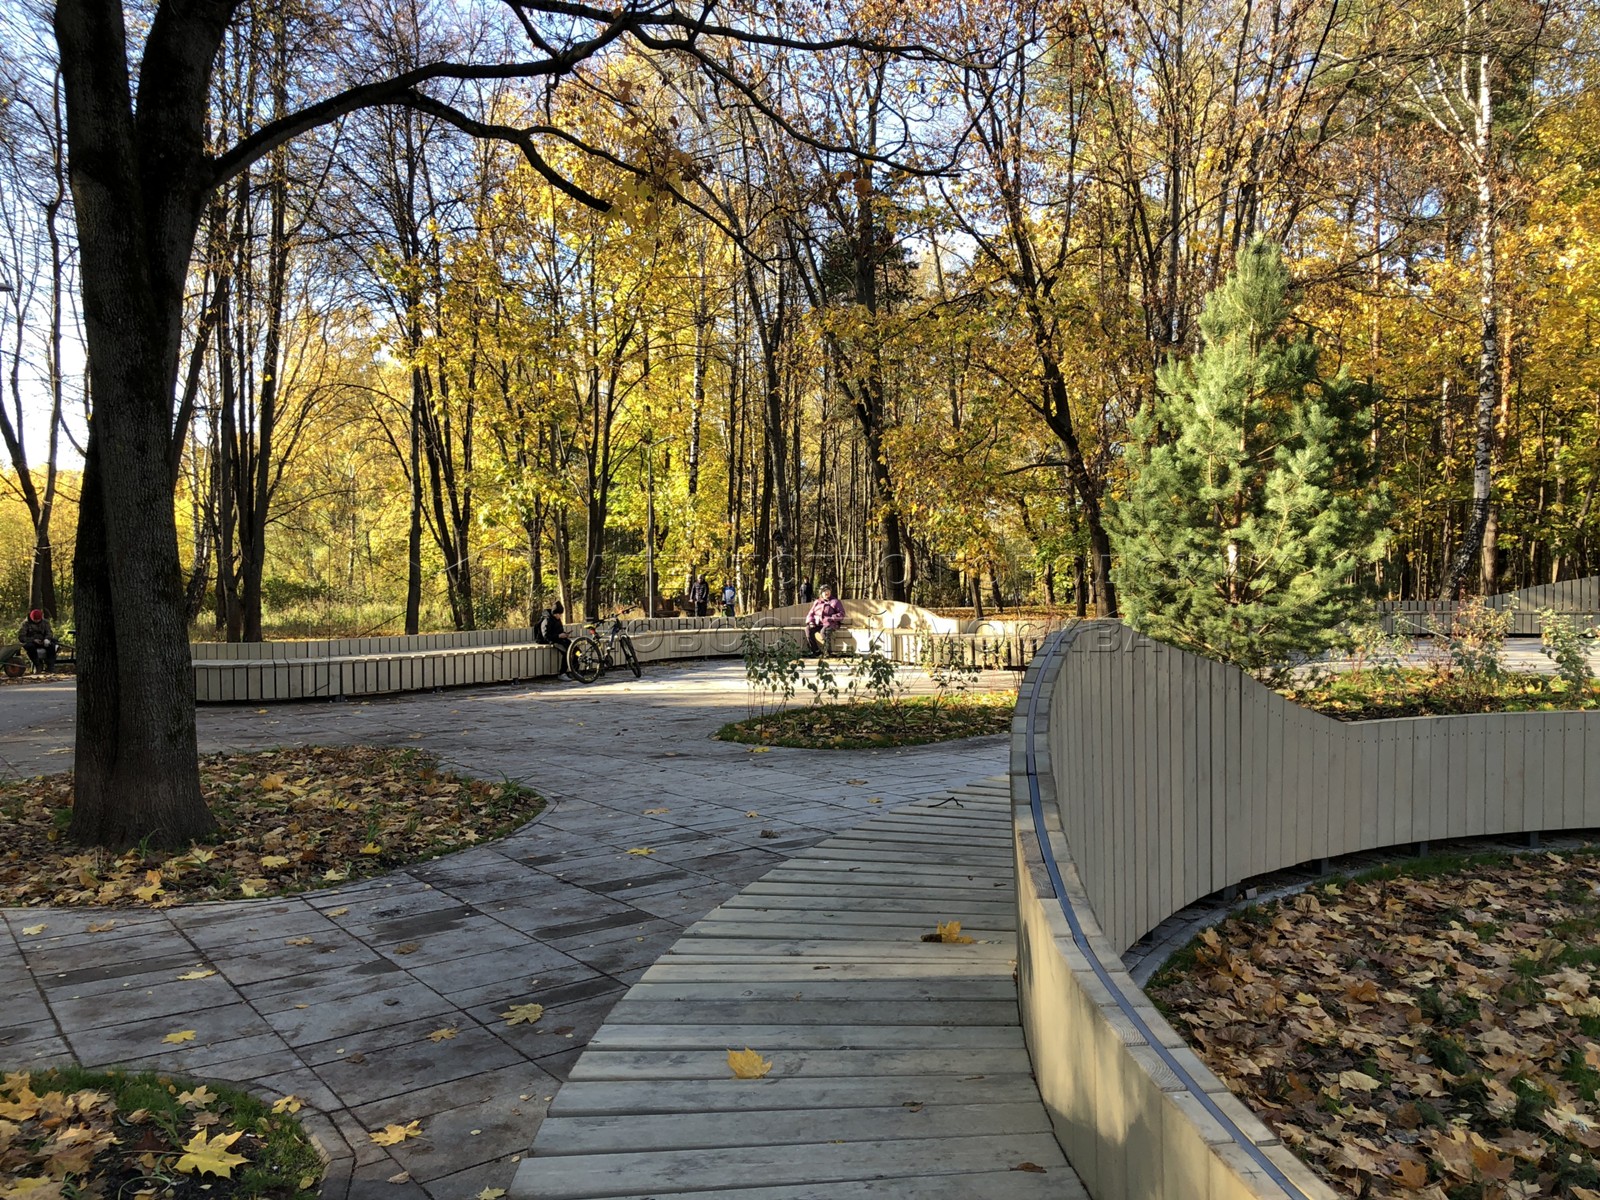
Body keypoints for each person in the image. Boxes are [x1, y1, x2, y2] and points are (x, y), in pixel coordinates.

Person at [804, 584, 845, 656]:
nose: (826, 592)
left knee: (824, 631)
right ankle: (815, 651)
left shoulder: (835, 601)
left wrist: (832, 618)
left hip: (830, 623)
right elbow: (811, 613)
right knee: (808, 629)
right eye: (824, 591)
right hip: (818, 623)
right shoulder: (817, 602)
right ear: (821, 593)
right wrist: (811, 622)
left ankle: (828, 652)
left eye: (828, 590)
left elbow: (841, 614)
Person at [533, 600, 572, 668]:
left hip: (558, 639)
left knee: (575, 650)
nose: (560, 616)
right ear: (555, 613)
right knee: (567, 652)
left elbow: (560, 630)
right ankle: (563, 672)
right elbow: (546, 636)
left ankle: (575, 669)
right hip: (551, 640)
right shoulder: (547, 620)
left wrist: (564, 634)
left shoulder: (558, 620)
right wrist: (558, 636)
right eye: (559, 614)